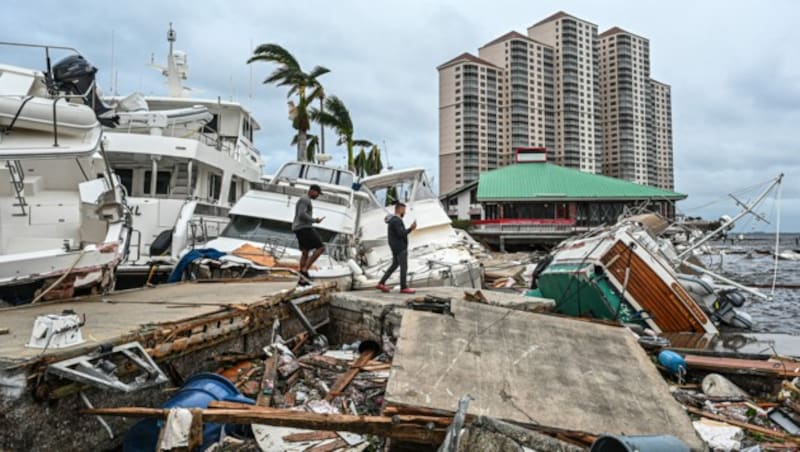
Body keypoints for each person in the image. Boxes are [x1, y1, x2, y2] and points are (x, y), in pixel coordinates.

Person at [377, 202, 417, 294]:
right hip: (400, 247)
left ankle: (381, 283)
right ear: (399, 209)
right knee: (404, 267)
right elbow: (401, 233)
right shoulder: (396, 220)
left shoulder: (393, 220)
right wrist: (411, 228)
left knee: (395, 265)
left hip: (394, 246)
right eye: (404, 210)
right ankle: (404, 287)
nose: (405, 212)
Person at [293, 184, 325, 285]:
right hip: (304, 228)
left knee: (305, 252)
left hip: (298, 228)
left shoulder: (305, 199)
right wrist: (314, 220)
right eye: (317, 193)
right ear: (312, 191)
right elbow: (301, 214)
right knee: (321, 248)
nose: (318, 196)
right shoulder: (305, 199)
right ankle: (304, 270)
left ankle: (302, 278)